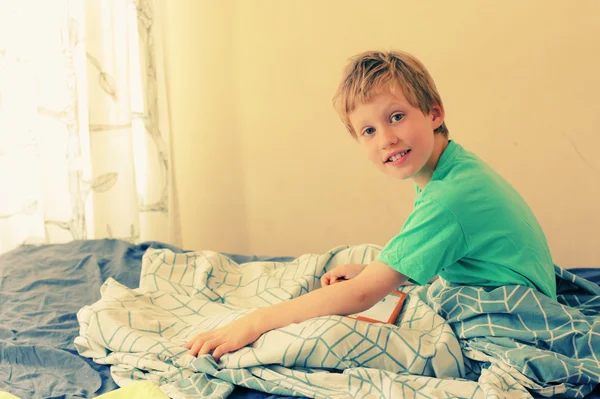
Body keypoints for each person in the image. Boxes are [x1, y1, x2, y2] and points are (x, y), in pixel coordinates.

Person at [184, 50, 557, 361]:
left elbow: (362, 296)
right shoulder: (452, 167)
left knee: (333, 338)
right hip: (497, 286)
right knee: (361, 262)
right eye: (369, 131)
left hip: (508, 315)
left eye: (396, 117)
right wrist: (372, 270)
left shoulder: (449, 198)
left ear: (434, 113)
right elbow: (452, 251)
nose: (387, 139)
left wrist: (253, 322)